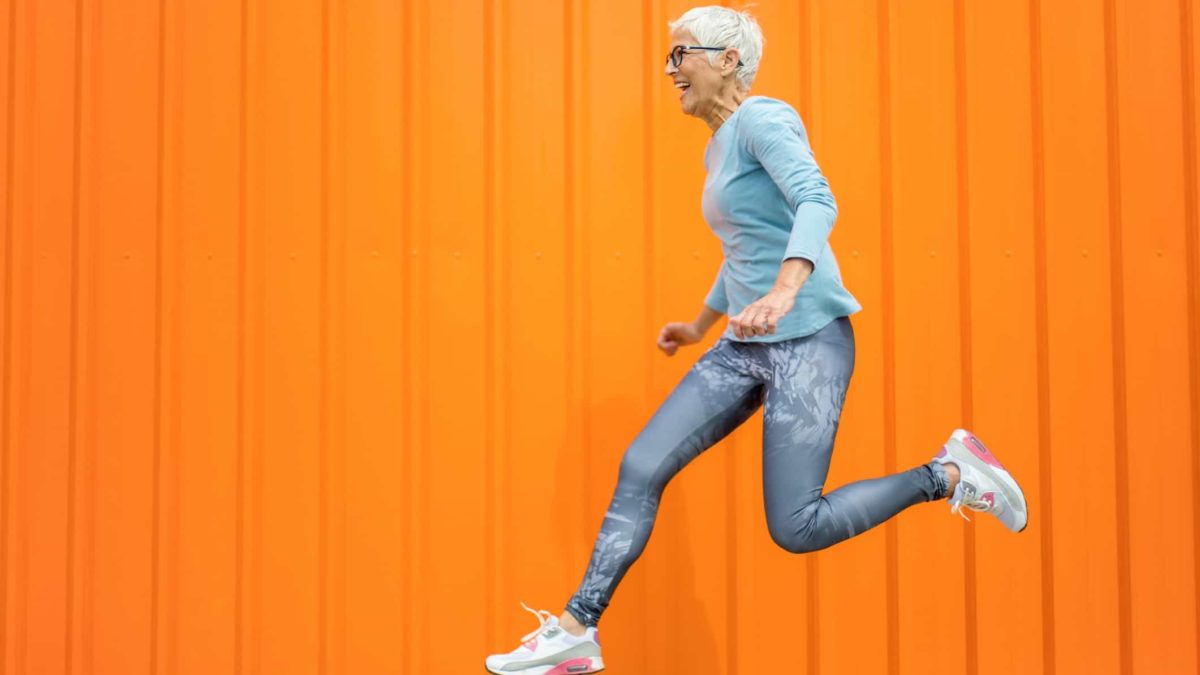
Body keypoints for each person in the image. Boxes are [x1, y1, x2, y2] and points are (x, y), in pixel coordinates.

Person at [485, 6, 1028, 674]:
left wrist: (786, 290)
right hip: (746, 346)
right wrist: (701, 322)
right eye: (669, 58)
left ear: (728, 60)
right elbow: (747, 244)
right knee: (641, 464)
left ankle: (950, 473)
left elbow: (817, 200)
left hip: (809, 344)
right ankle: (576, 630)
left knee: (796, 526)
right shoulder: (719, 144)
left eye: (681, 55)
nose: (670, 71)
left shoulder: (763, 119)